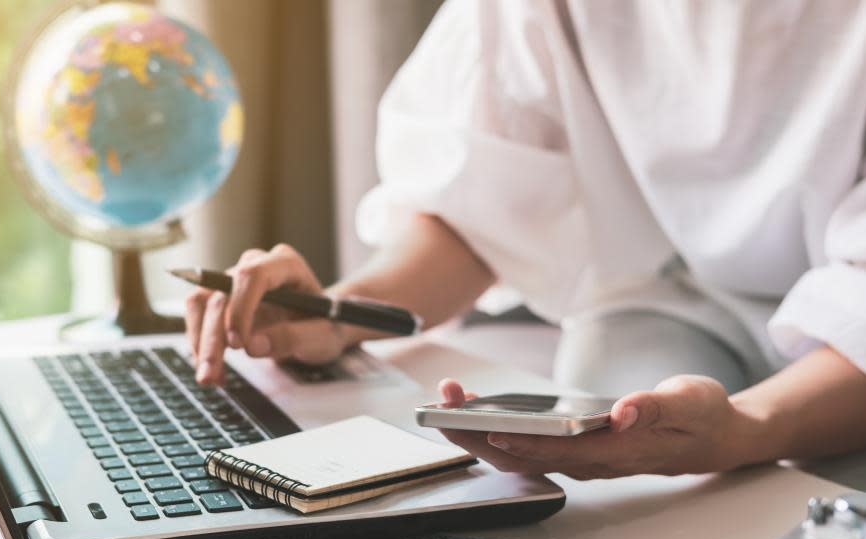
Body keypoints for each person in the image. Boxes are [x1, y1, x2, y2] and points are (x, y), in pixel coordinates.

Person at [185, 1, 866, 480]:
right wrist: (340, 312)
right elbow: (480, 202)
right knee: (623, 451)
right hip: (677, 303)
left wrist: (745, 433)